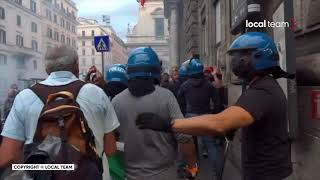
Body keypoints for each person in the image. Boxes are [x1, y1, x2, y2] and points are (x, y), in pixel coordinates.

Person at [136, 32, 294, 180]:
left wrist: (169, 124)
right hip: (262, 171)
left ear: (258, 56)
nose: (235, 61)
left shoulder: (262, 91)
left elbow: (219, 123)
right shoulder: (259, 86)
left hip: (266, 174)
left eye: (241, 56)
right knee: (209, 147)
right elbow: (227, 114)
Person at [0, 45, 120, 180]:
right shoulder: (97, 94)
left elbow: (8, 155)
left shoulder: (24, 97)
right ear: (77, 66)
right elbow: (110, 149)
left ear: (47, 69)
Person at [112, 47, 198, 180]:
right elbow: (184, 137)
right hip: (164, 174)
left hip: (128, 175)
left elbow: (111, 142)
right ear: (156, 70)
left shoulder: (116, 101)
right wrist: (192, 166)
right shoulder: (166, 97)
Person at [177, 58, 226, 180]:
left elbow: (180, 101)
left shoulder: (185, 85)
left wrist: (183, 115)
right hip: (206, 117)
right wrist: (214, 115)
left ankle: (181, 170)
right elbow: (217, 103)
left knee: (185, 144)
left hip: (190, 118)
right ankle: (217, 175)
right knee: (211, 146)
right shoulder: (209, 86)